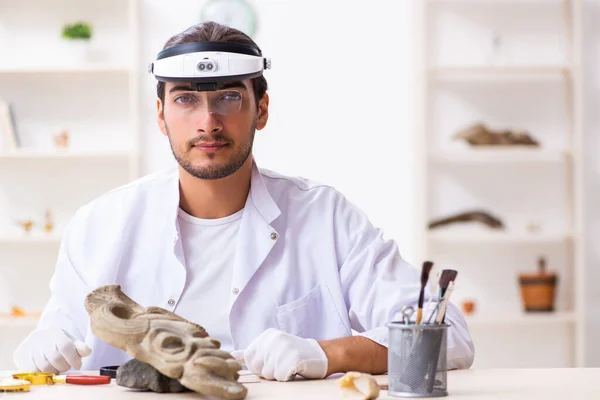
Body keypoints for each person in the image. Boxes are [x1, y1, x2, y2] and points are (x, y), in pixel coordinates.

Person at [14, 21, 474, 381]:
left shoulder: (325, 217)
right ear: (161, 115)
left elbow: (449, 336)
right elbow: (57, 344)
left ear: (263, 109)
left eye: (230, 98)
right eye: (187, 100)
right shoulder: (100, 224)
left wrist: (327, 354)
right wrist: (40, 346)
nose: (208, 122)